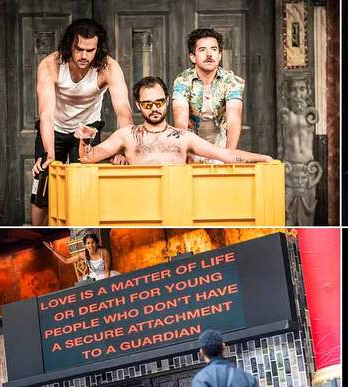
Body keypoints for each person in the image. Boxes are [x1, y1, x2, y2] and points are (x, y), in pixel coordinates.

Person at [32, 18, 132, 225]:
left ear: (98, 48)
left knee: (84, 189)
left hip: (87, 130)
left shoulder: (108, 67)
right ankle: (39, 232)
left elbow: (123, 110)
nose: (84, 56)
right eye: (79, 49)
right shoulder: (51, 65)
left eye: (90, 50)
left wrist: (123, 150)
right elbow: (46, 113)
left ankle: (80, 229)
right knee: (42, 187)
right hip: (54, 128)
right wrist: (49, 153)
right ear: (70, 45)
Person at [79, 76, 272, 165]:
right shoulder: (126, 135)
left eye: (159, 102)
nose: (154, 108)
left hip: (177, 201)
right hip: (138, 202)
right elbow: (88, 157)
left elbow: (224, 155)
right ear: (138, 105)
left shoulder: (184, 137)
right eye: (147, 104)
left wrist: (262, 158)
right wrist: (85, 139)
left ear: (167, 101)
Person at [173, 28, 244, 163]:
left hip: (221, 145)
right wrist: (186, 151)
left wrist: (229, 155)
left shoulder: (231, 81)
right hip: (192, 143)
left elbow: (234, 118)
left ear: (220, 55)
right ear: (193, 57)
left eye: (214, 49)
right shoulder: (182, 81)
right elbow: (180, 119)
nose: (209, 54)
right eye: (202, 50)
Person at [43, 233, 118, 280]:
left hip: (106, 276)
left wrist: (106, 283)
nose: (91, 245)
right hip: (94, 277)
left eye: (93, 242)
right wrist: (53, 250)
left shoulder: (103, 252)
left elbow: (107, 270)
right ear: (85, 245)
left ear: (96, 243)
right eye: (88, 243)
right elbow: (66, 261)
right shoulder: (83, 254)